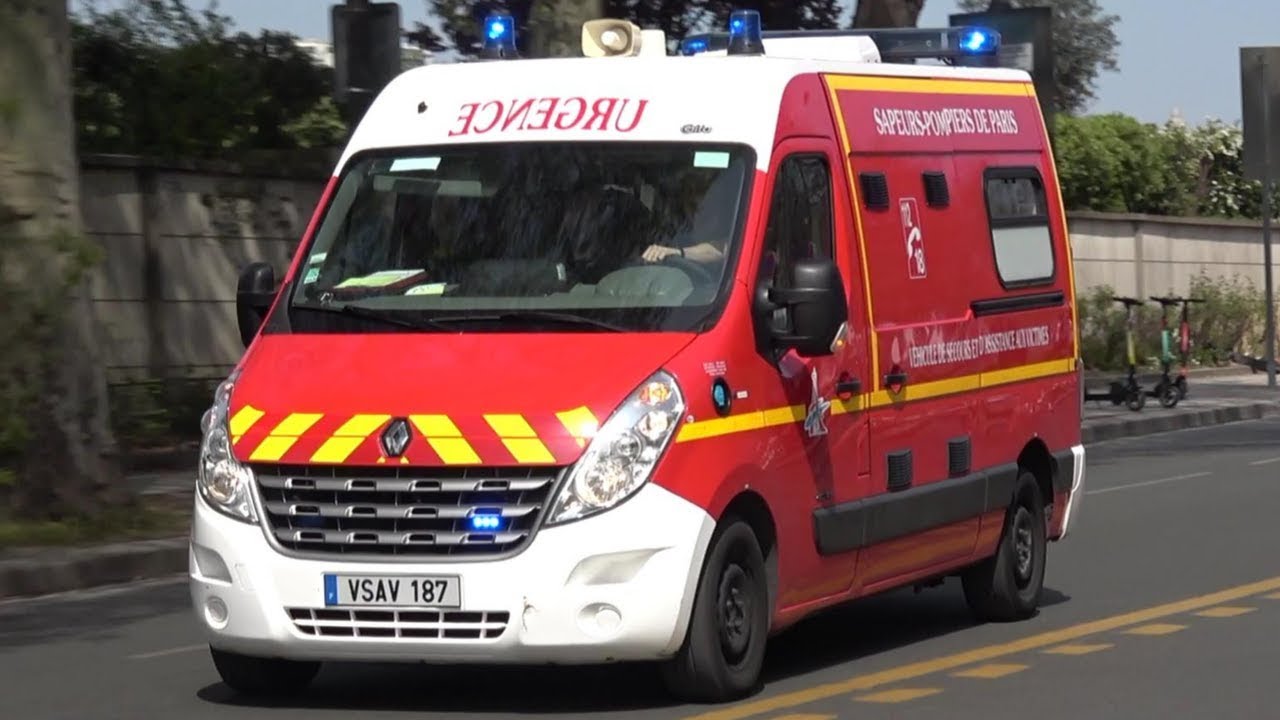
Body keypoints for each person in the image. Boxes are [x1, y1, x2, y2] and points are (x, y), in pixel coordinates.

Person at [640, 155, 746, 269]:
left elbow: (719, 250)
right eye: (693, 207)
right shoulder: (669, 234)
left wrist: (677, 253)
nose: (697, 216)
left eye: (710, 209)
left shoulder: (736, 240)